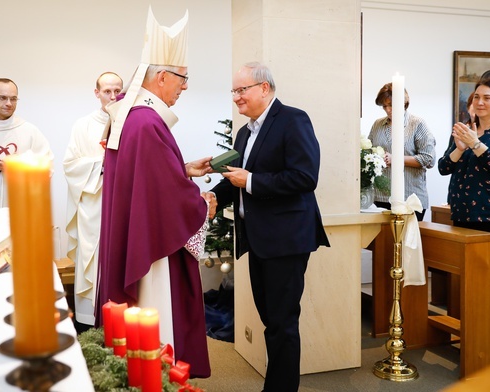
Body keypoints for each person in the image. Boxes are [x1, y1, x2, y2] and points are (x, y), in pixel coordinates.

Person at [94, 8, 214, 378]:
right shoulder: (146, 122)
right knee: (158, 322)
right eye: (183, 78)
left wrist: (183, 170)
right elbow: (163, 197)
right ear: (162, 77)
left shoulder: (134, 116)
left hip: (139, 237)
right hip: (153, 251)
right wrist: (202, 205)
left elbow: (149, 180)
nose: (186, 85)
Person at [203, 62, 330, 392]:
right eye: (234, 92)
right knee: (271, 320)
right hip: (258, 240)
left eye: (241, 90)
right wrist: (214, 197)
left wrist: (253, 180)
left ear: (265, 88)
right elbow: (236, 181)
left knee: (282, 323)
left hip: (286, 240)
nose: (236, 98)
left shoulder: (293, 120)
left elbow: (306, 177)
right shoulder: (244, 132)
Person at [438, 77, 490, 337]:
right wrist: (460, 147)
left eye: (487, 97)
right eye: (477, 97)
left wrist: (475, 144)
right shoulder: (466, 129)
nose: (480, 102)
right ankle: (475, 332)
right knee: (471, 278)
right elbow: (444, 167)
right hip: (464, 214)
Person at [63, 72, 123, 332]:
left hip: (121, 204)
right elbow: (70, 165)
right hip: (93, 207)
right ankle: (88, 323)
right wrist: (102, 165)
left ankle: (118, 319)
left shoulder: (130, 122)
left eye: (117, 91)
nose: (112, 96)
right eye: (107, 91)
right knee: (91, 262)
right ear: (96, 92)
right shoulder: (83, 125)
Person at [0, 78, 53, 213]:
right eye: (3, 98)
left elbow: (46, 169)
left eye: (13, 99)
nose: (8, 103)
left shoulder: (30, 131)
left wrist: (17, 169)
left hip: (22, 208)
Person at [368, 82, 436, 221]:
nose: (388, 110)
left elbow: (429, 159)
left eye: (391, 105)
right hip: (381, 196)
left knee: (407, 241)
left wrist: (396, 159)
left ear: (403, 103)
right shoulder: (377, 125)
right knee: (382, 242)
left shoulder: (417, 124)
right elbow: (369, 152)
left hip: (410, 197)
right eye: (384, 106)